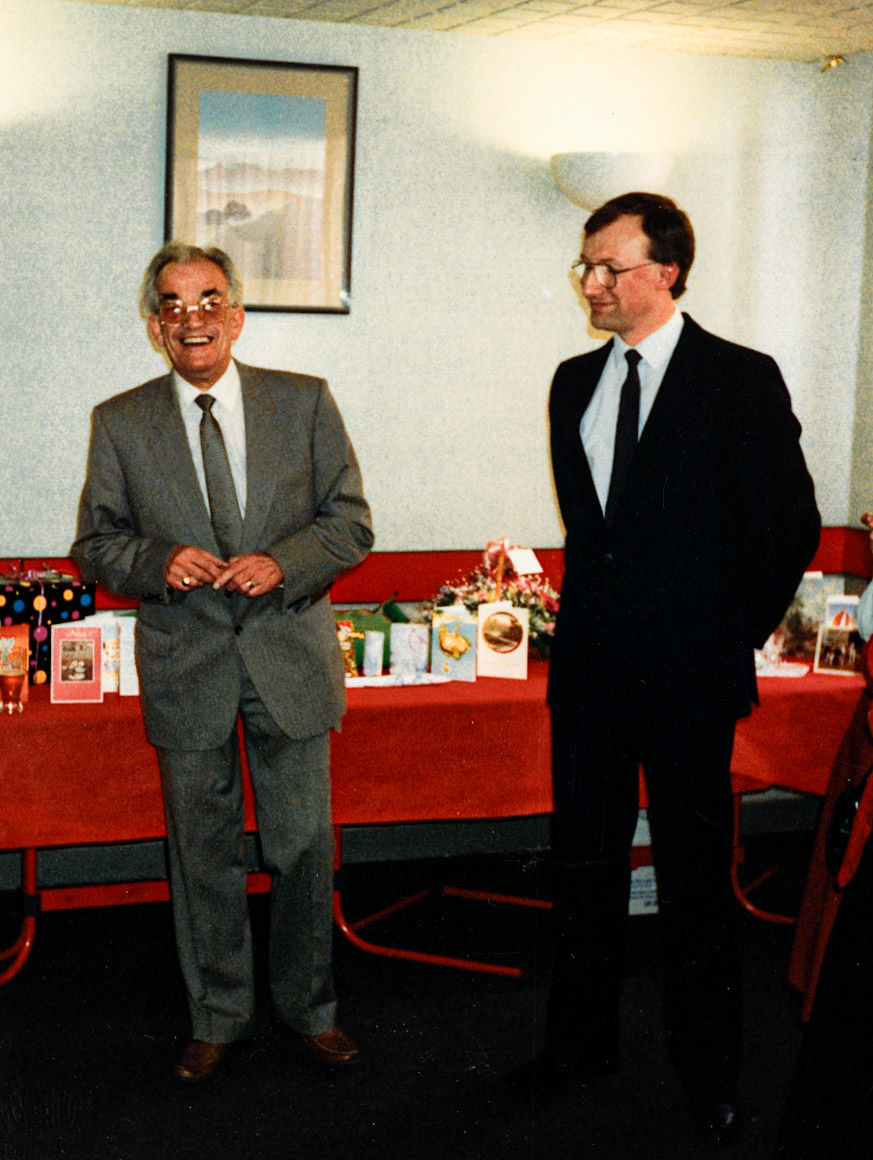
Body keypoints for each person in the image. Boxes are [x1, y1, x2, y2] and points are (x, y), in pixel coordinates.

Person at [525, 193, 821, 1144]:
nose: (592, 284)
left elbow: (789, 528)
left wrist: (721, 634)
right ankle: (577, 1047)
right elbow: (597, 539)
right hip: (593, 678)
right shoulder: (574, 381)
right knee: (583, 870)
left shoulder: (738, 378)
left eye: (609, 267)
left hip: (688, 679)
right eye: (585, 266)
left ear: (667, 272)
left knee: (694, 882)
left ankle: (710, 1075)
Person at [72, 242, 373, 1082]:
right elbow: (95, 544)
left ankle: (311, 1012)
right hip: (188, 660)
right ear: (154, 326)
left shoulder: (303, 403)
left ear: (236, 315)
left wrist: (284, 562)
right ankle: (219, 1017)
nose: (192, 317)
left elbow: (349, 524)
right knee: (201, 853)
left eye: (209, 300)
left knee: (303, 847)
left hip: (289, 657)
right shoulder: (121, 421)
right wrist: (155, 559)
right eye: (172, 304)